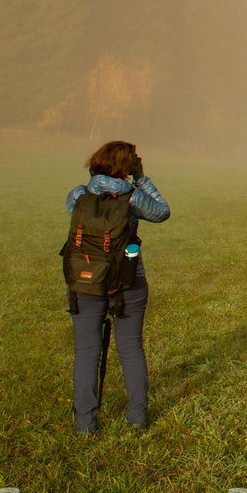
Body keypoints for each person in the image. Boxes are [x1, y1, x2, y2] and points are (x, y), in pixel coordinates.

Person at [65, 140, 169, 434]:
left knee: (86, 352)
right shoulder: (134, 197)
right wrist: (142, 178)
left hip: (85, 280)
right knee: (131, 349)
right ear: (128, 166)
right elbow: (162, 212)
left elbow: (81, 212)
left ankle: (85, 424)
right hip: (128, 281)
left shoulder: (78, 194)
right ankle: (137, 419)